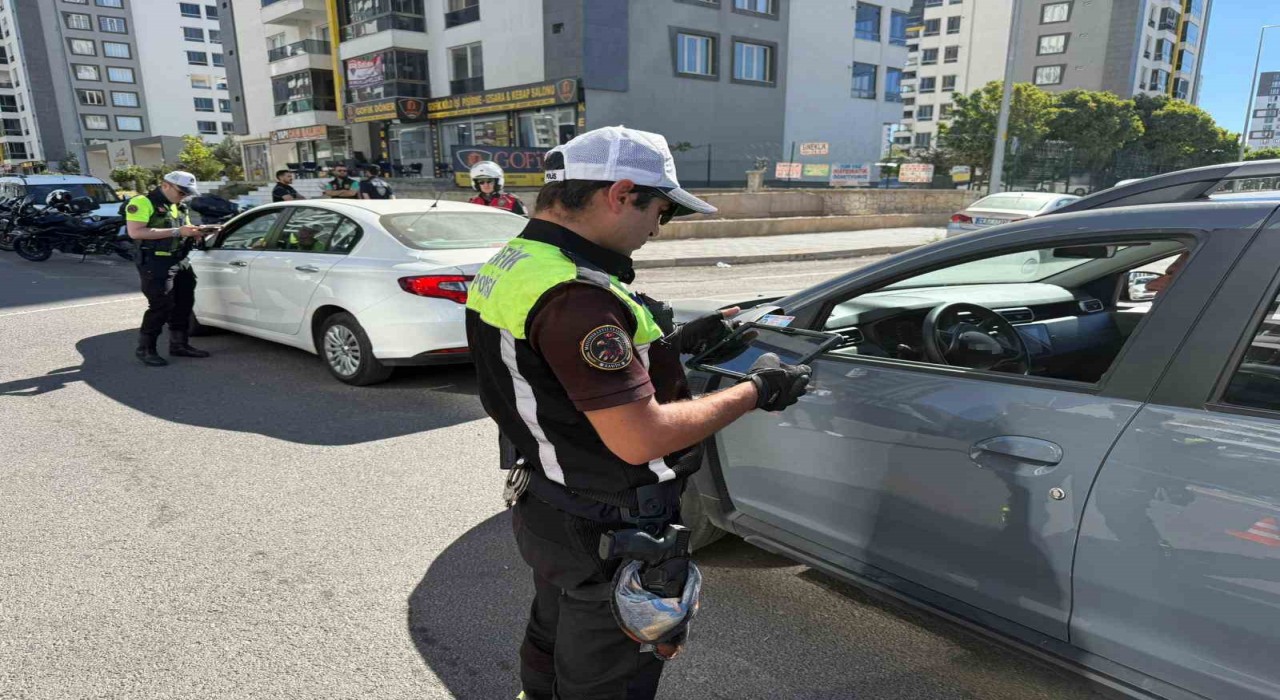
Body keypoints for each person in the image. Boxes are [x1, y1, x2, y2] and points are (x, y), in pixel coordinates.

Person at [465, 126, 812, 700]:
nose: (656, 228)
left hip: (550, 499)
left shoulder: (521, 260)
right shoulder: (577, 295)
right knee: (611, 676)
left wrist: (680, 344)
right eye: (660, 212)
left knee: (552, 643)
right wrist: (758, 390)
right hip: (609, 519)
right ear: (622, 193)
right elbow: (638, 437)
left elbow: (550, 373)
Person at [124, 170, 213, 366]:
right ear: (165, 185)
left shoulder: (179, 206)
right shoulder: (142, 202)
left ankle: (179, 344)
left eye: (187, 193)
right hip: (155, 262)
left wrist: (197, 232)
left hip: (180, 260)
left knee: (184, 302)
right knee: (160, 306)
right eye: (181, 192)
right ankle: (146, 349)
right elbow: (135, 232)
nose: (184, 196)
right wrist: (177, 231)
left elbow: (184, 229)